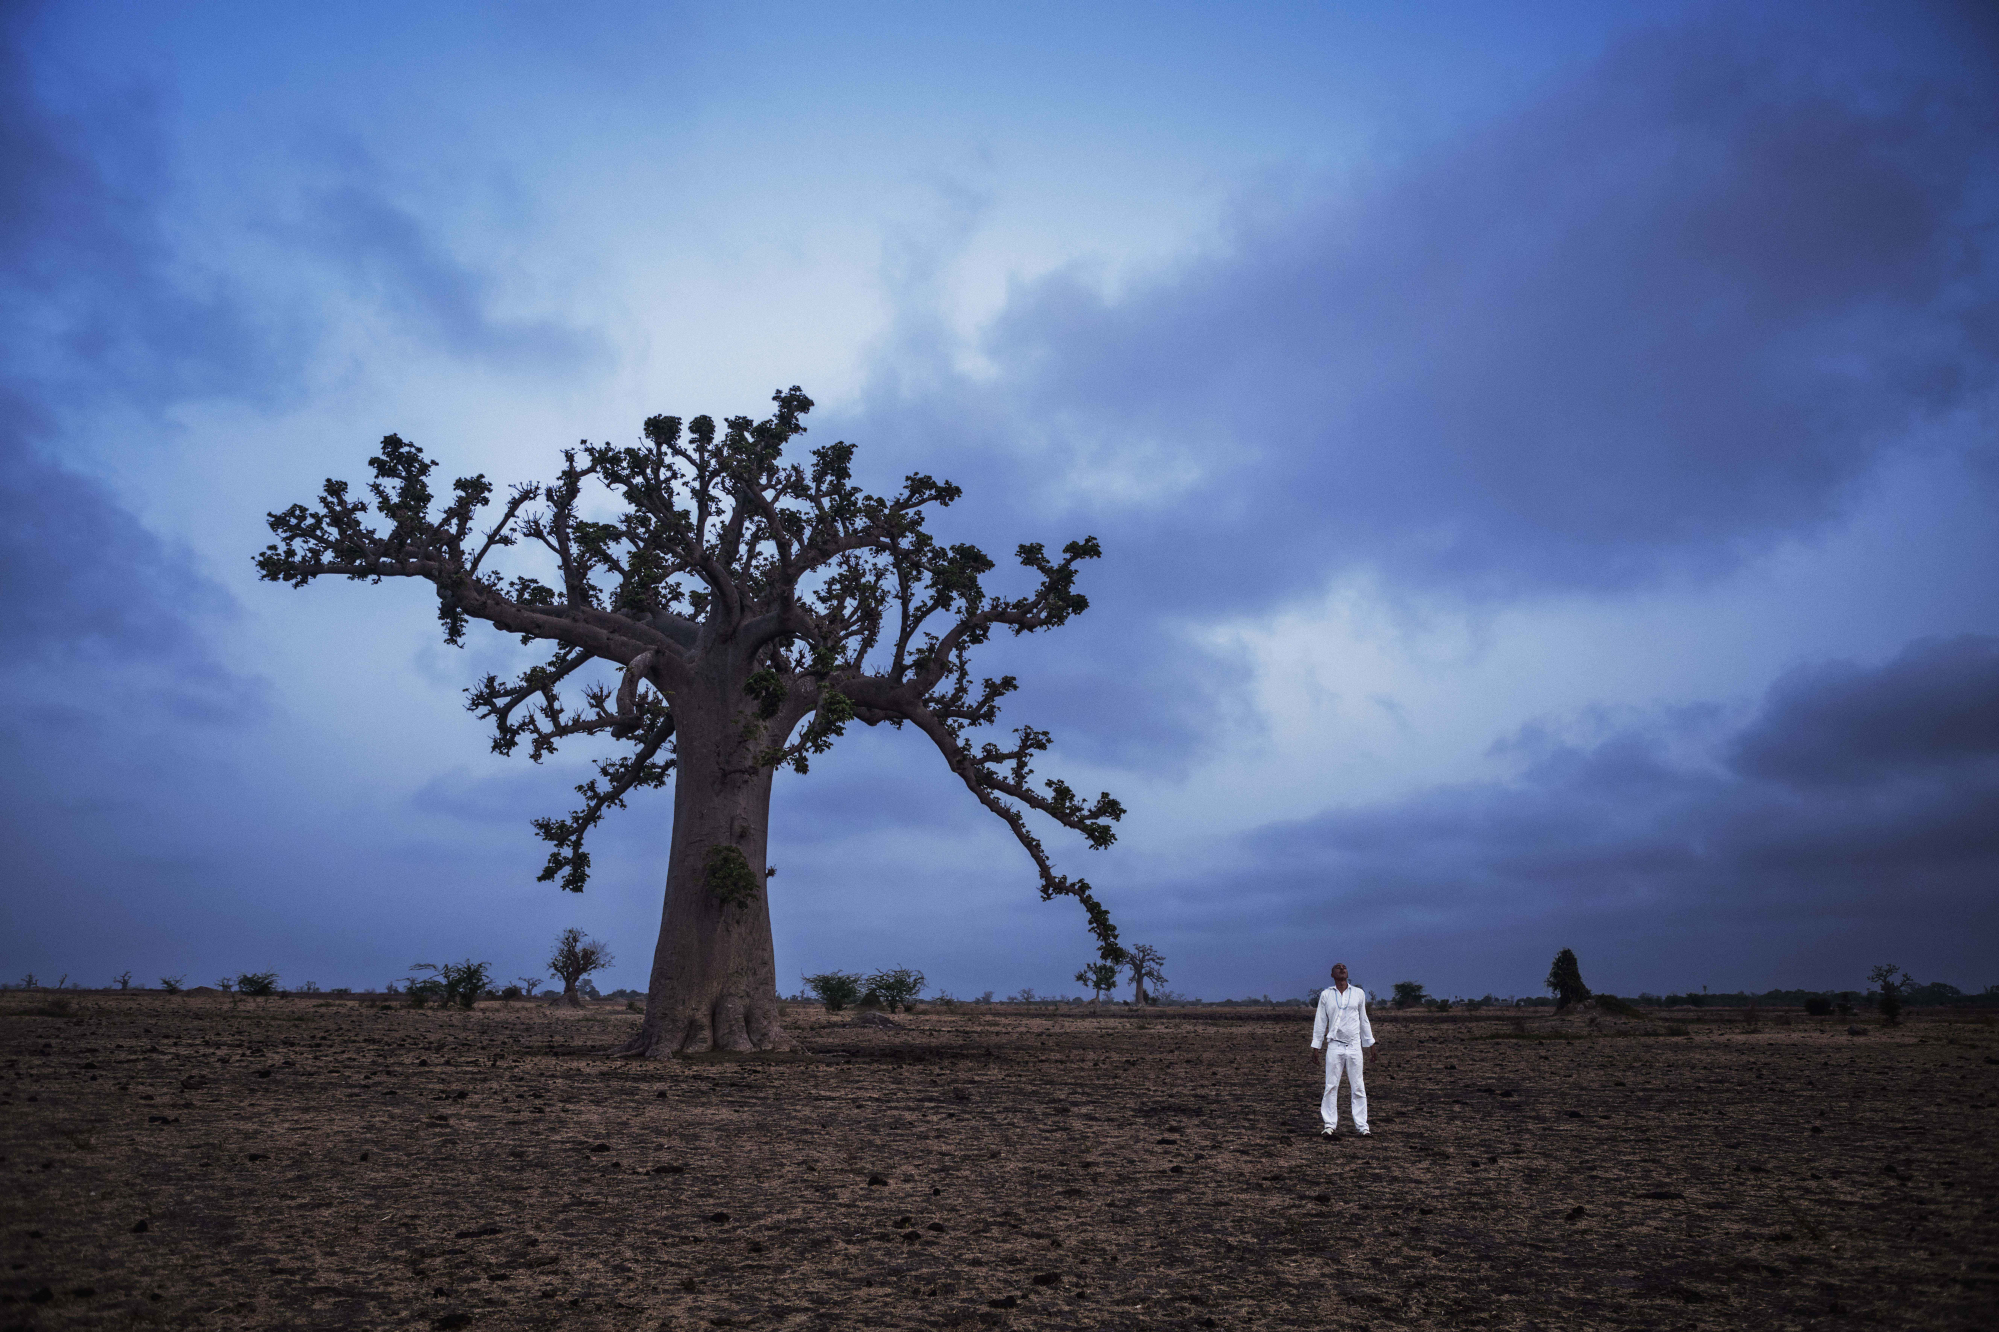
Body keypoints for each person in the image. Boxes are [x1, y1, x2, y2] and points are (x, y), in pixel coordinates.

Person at [1310, 962, 1375, 1137]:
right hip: (1334, 1045)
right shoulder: (1326, 995)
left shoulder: (1358, 993)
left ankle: (1362, 1127)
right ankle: (1329, 1125)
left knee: (1358, 1087)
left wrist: (1370, 1044)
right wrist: (1316, 1046)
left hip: (1354, 1045)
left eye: (1344, 967)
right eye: (1338, 967)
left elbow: (1364, 1019)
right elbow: (1320, 1021)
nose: (1342, 969)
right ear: (1332, 974)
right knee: (1331, 1086)